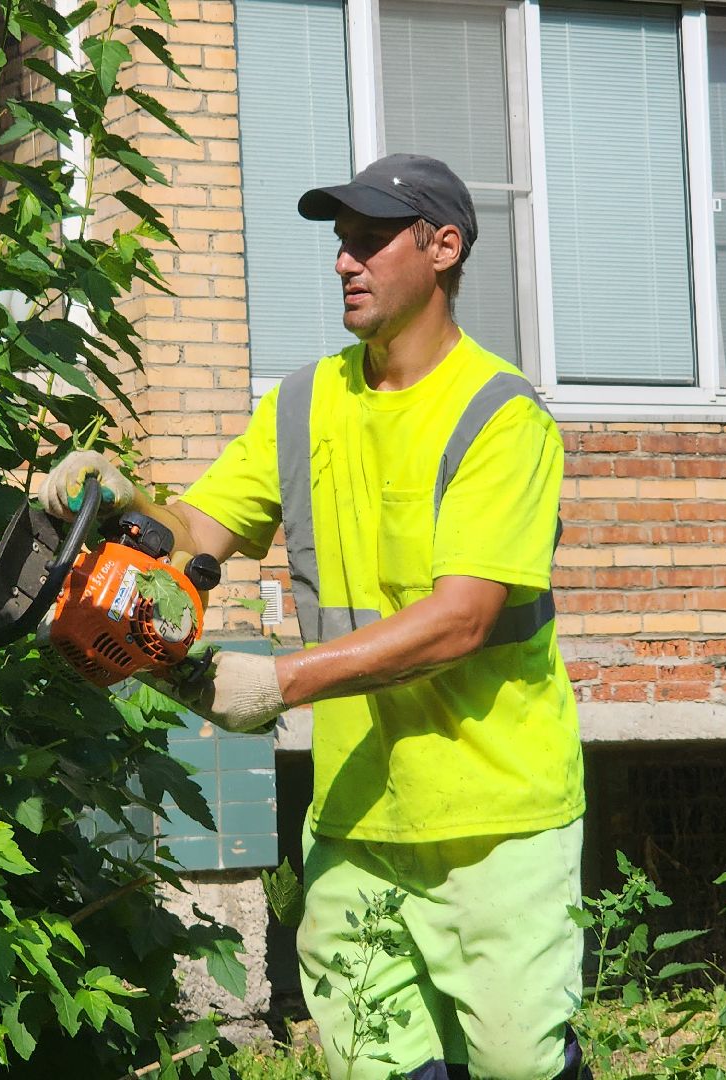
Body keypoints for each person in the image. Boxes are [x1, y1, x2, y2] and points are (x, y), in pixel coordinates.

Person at [42, 153, 587, 1080]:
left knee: (519, 1065)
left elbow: (460, 620)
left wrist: (280, 683)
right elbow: (198, 529)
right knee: (373, 1063)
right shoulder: (303, 403)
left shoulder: (502, 415)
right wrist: (129, 505)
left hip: (495, 817)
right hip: (354, 810)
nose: (345, 260)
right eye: (341, 243)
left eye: (371, 240)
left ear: (443, 246)